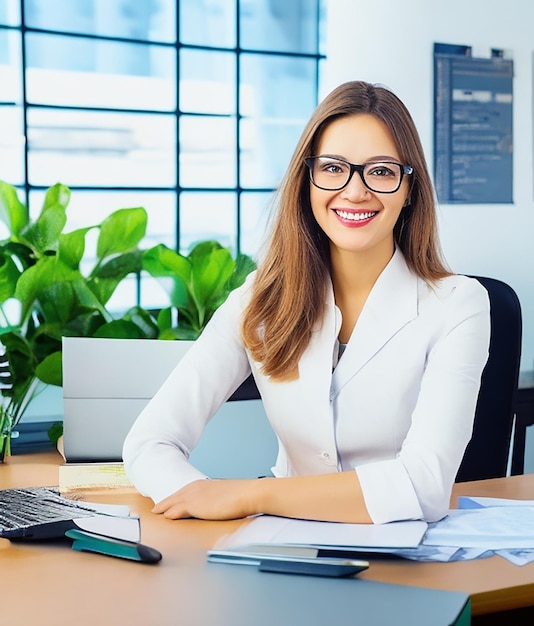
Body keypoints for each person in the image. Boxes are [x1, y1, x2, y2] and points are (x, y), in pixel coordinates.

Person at [123, 80, 490, 525]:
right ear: (307, 180)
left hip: (404, 553)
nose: (355, 192)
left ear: (409, 188)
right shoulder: (260, 300)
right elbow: (149, 442)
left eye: (381, 171)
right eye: (333, 168)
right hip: (280, 549)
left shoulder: (458, 305)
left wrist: (249, 496)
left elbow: (423, 487)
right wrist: (198, 496)